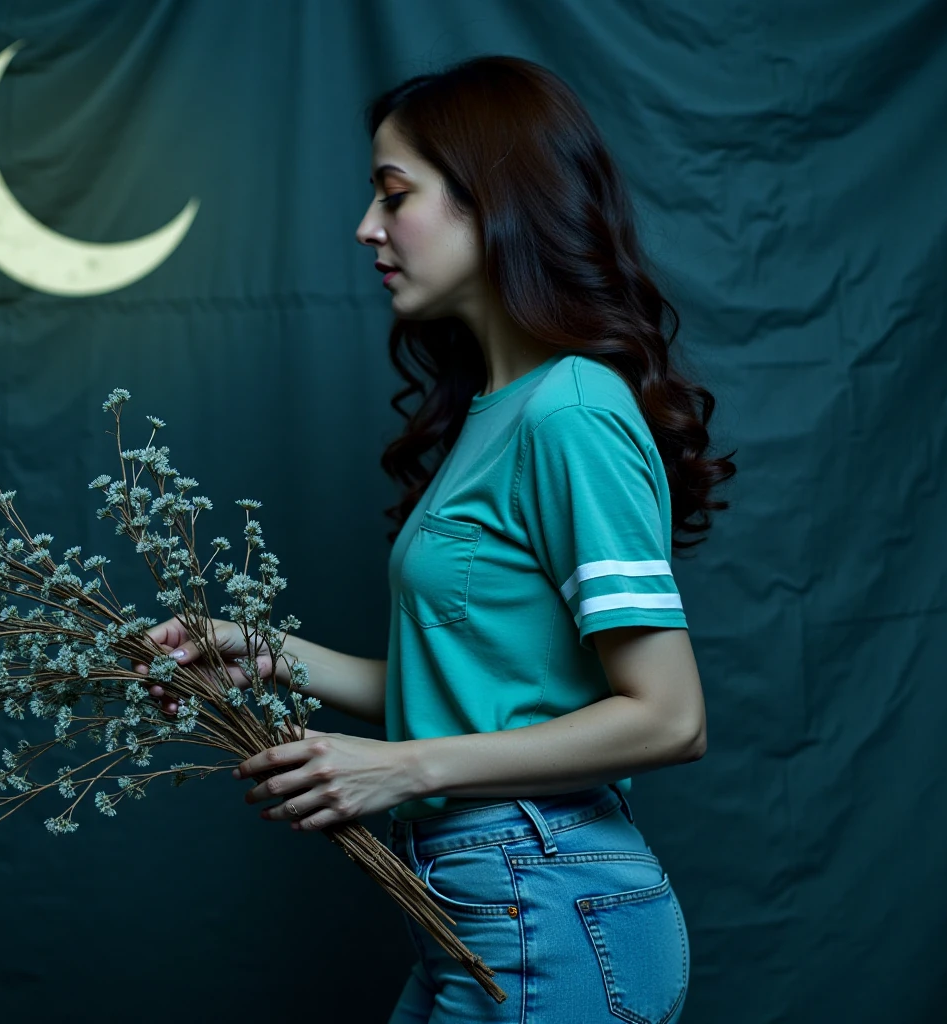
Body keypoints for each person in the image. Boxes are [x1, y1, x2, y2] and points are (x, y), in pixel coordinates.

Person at [136, 54, 736, 1024]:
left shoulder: (571, 408)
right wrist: (270, 653)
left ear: (492, 198)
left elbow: (670, 718)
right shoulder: (496, 416)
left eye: (394, 194)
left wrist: (399, 766)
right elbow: (475, 680)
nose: (368, 228)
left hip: (547, 898)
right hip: (485, 902)